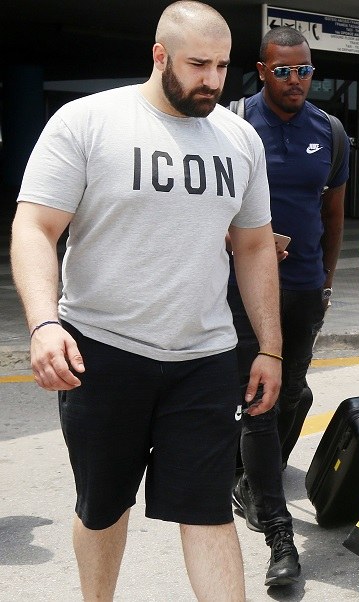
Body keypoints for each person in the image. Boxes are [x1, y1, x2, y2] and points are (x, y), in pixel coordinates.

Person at [9, 2, 282, 599]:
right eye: (198, 64)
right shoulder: (88, 122)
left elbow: (254, 244)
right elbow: (35, 227)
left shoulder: (239, 138)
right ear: (160, 56)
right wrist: (44, 324)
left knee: (209, 509)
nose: (212, 80)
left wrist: (270, 347)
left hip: (205, 356)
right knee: (103, 507)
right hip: (102, 350)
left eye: (222, 66)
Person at [226, 25, 349, 586]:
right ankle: (276, 528)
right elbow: (204, 210)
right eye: (284, 71)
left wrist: (326, 283)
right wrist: (241, 241)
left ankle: (252, 479)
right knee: (260, 397)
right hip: (241, 288)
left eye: (305, 70)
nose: (296, 80)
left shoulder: (330, 132)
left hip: (302, 289)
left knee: (293, 392)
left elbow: (333, 214)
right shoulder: (231, 124)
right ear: (261, 71)